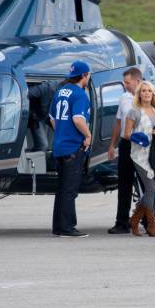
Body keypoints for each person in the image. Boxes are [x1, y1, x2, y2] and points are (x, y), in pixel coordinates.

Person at [49, 60, 92, 238]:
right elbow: (78, 119)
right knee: (70, 190)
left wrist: (61, 131)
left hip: (59, 146)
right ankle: (67, 227)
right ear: (84, 75)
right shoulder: (80, 95)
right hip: (72, 147)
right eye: (88, 75)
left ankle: (58, 226)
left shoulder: (61, 92)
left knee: (61, 189)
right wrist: (88, 136)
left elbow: (52, 118)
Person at [124, 81, 155, 237]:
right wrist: (138, 137)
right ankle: (151, 225)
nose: (147, 93)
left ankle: (134, 221)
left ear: (153, 94)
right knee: (150, 188)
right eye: (144, 91)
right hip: (139, 155)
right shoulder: (133, 112)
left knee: (151, 189)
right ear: (139, 94)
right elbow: (126, 134)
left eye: (149, 91)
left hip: (153, 155)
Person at [107, 67, 143, 234]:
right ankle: (122, 222)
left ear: (137, 81)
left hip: (142, 144)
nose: (125, 85)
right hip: (126, 143)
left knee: (146, 182)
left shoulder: (147, 95)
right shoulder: (123, 97)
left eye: (127, 82)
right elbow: (118, 123)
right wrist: (112, 145)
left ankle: (149, 217)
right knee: (124, 184)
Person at [28, 81, 58, 151]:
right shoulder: (46, 88)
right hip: (35, 115)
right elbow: (25, 94)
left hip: (48, 116)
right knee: (43, 145)